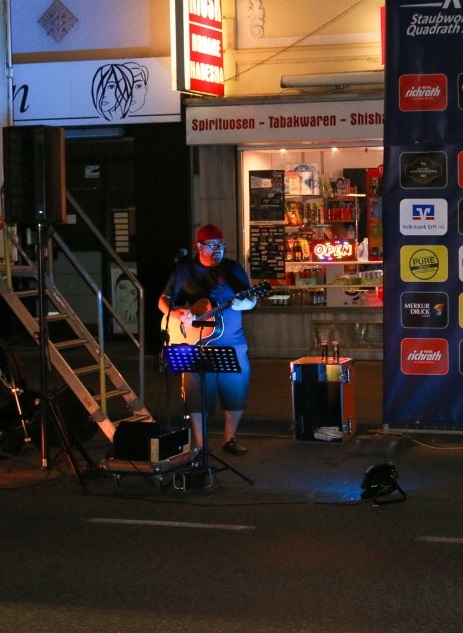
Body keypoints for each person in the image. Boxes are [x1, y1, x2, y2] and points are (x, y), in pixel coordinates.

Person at [158, 224, 257, 455]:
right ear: (198, 246)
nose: (218, 249)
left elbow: (251, 298)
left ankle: (229, 439)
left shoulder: (231, 269)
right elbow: (163, 299)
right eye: (212, 245)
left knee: (236, 392)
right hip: (194, 343)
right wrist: (176, 313)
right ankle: (201, 445)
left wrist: (247, 303)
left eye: (221, 245)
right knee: (196, 395)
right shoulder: (184, 270)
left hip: (231, 341)